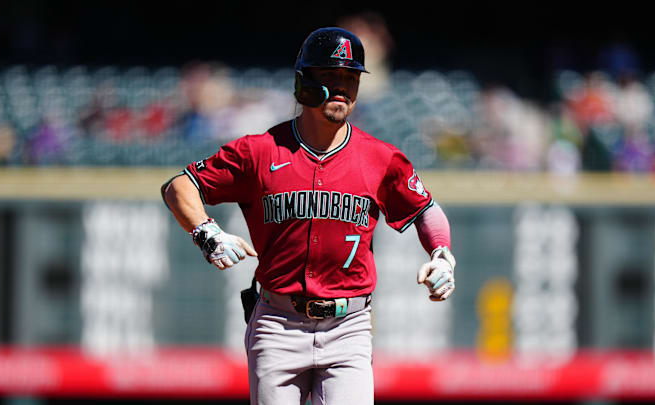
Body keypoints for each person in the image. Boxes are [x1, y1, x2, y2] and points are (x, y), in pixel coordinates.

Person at [161, 27, 456, 405]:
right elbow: (179, 187)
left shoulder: (380, 158)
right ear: (304, 81)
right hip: (278, 322)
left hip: (348, 326)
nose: (342, 87)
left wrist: (441, 253)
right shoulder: (260, 151)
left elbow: (425, 210)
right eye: (330, 76)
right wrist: (206, 232)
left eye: (350, 78)